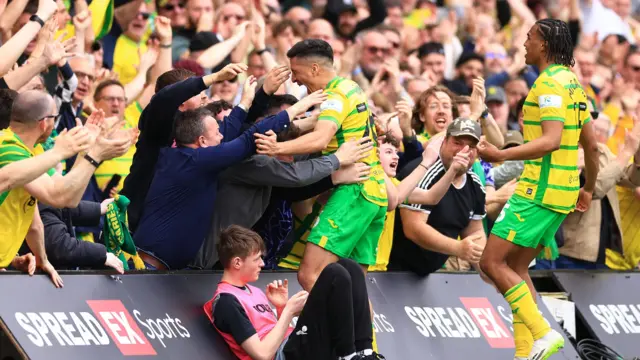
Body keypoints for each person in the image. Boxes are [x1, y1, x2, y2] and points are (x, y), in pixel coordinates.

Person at [476, 19, 601, 360]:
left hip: (537, 191)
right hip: (561, 194)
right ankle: (524, 353)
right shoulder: (574, 85)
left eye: (529, 37)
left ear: (544, 44)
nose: (523, 44)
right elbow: (591, 146)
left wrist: (500, 154)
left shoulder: (548, 85)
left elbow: (551, 141)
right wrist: (587, 187)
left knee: (491, 263)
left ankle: (544, 333)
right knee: (515, 270)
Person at [133, 90, 327, 270]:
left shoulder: (181, 156)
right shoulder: (199, 161)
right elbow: (248, 140)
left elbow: (233, 130)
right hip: (151, 268)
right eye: (217, 133)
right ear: (201, 141)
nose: (222, 137)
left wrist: (247, 102)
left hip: (166, 267)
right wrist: (338, 158)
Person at [254, 39, 387, 291]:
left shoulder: (335, 95)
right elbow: (315, 128)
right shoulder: (351, 88)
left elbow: (321, 137)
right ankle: (361, 332)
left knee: (310, 275)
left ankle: (336, 330)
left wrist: (277, 148)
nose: (294, 80)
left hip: (354, 191)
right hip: (374, 193)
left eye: (296, 72)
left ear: (314, 69)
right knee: (355, 288)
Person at [0, 91, 134, 286]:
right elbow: (59, 197)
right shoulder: (8, 148)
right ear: (44, 123)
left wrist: (42, 259)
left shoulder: (31, 149)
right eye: (55, 118)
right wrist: (93, 156)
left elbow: (43, 212)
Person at [203, 225, 385, 360]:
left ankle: (365, 352)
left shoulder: (254, 291)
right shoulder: (226, 301)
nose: (262, 264)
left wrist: (281, 308)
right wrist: (289, 310)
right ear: (237, 263)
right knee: (334, 274)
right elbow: (263, 354)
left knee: (349, 266)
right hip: (286, 355)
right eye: (257, 259)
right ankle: (347, 356)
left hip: (294, 344)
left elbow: (278, 332)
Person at [389, 118, 486, 276]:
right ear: (444, 142)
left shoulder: (475, 184)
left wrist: (487, 272)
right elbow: (413, 228)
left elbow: (475, 233)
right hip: (392, 271)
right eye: (457, 143)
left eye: (471, 146)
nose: (463, 150)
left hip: (430, 275)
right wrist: (458, 248)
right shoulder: (421, 172)